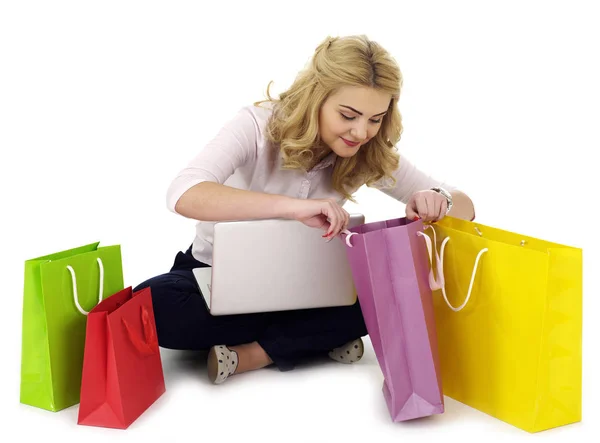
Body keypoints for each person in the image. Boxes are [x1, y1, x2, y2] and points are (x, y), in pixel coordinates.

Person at [134, 34, 476, 385]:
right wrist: (293, 208)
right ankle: (311, 338)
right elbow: (183, 193)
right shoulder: (257, 125)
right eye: (348, 115)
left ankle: (254, 353)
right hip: (214, 276)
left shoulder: (368, 150)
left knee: (389, 291)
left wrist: (439, 199)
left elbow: (465, 205)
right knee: (150, 306)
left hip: (308, 289)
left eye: (375, 119)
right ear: (317, 97)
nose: (361, 132)